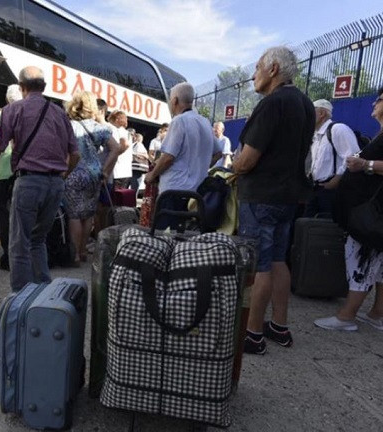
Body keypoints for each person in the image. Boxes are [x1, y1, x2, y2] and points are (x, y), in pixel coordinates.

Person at [232, 46, 315, 355]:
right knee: (278, 259)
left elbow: (249, 158)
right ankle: (279, 326)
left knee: (260, 264)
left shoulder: (272, 103)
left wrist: (234, 167)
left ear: (273, 69)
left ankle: (252, 334)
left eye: (257, 67)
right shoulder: (305, 103)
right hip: (289, 196)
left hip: (262, 195)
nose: (253, 75)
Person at [0, 66, 80, 292]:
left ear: (21, 86)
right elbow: (75, 154)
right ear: (43, 87)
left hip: (29, 181)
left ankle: (20, 297)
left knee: (19, 242)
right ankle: (43, 292)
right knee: (38, 239)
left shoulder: (12, 110)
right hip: (55, 184)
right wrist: (62, 175)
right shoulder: (60, 114)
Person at [314, 88, 383, 331]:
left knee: (360, 257)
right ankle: (376, 313)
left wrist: (366, 164)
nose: (374, 103)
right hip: (372, 208)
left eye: (380, 99)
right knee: (378, 263)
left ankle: (347, 317)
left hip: (373, 211)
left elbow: (367, 165)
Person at [144, 82, 220, 230]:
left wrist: (152, 175)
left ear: (175, 101)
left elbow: (168, 157)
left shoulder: (179, 121)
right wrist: (200, 167)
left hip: (174, 191)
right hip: (198, 192)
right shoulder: (204, 122)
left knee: (166, 236)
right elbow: (218, 153)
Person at [64, 91, 120, 264]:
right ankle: (83, 252)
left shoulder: (69, 126)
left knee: (73, 215)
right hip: (94, 174)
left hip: (74, 172)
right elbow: (116, 148)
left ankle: (73, 255)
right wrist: (105, 170)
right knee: (88, 214)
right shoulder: (99, 127)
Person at [0, 84, 22, 271]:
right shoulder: (27, 115)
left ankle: (8, 258)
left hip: (2, 173)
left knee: (5, 217)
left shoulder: (0, 116)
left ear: (7, 99)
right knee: (22, 215)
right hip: (24, 172)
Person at [304, 99, 360, 217]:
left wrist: (336, 179)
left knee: (326, 228)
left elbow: (355, 155)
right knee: (308, 226)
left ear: (321, 113)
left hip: (331, 191)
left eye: (310, 112)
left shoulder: (338, 129)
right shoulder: (316, 136)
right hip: (315, 189)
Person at [108, 110, 132, 188]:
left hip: (117, 171)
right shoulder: (126, 132)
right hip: (125, 171)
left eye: (110, 120)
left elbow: (125, 144)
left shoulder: (118, 130)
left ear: (117, 119)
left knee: (113, 198)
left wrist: (113, 154)